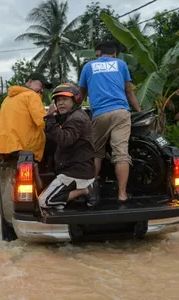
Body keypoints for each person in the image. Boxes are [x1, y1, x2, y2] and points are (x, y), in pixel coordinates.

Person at [79, 41, 141, 204]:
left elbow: (81, 93)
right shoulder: (121, 64)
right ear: (115, 54)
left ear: (99, 53)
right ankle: (122, 195)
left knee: (96, 153)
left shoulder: (88, 66)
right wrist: (139, 110)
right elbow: (129, 91)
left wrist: (75, 110)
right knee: (121, 153)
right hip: (121, 113)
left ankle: (91, 192)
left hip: (99, 114)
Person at [39, 83, 98, 210]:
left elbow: (64, 139)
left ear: (75, 100)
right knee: (56, 203)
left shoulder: (76, 119)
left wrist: (50, 118)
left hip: (74, 171)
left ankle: (85, 190)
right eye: (58, 100)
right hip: (74, 169)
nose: (60, 103)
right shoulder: (73, 116)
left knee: (44, 201)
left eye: (65, 99)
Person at [0, 73, 52, 191]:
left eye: (44, 88)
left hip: (7, 150)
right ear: (29, 82)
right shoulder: (32, 96)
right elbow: (42, 122)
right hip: (28, 149)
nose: (42, 89)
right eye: (41, 85)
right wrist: (50, 114)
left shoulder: (7, 99)